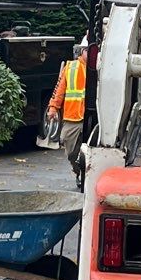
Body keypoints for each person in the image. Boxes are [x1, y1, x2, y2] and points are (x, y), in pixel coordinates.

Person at [46, 38, 87, 177]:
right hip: (73, 116)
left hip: (93, 117)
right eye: (87, 50)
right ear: (82, 51)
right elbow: (59, 89)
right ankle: (78, 171)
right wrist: (53, 107)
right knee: (71, 152)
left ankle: (86, 174)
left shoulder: (101, 67)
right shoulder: (71, 67)